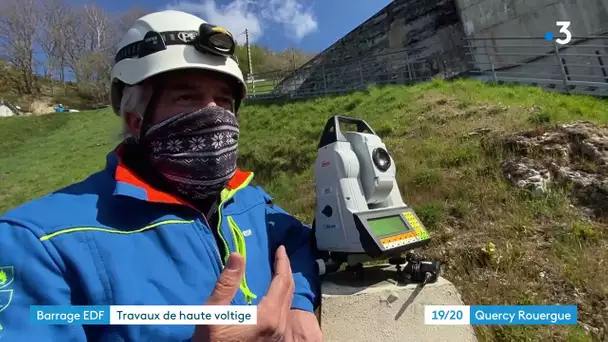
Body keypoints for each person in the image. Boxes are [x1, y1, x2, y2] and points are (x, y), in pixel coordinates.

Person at [0, 10, 323, 342]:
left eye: (224, 100)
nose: (214, 113)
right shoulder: (39, 242)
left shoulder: (248, 201)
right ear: (136, 119)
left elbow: (300, 241)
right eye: (187, 97)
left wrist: (298, 303)